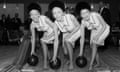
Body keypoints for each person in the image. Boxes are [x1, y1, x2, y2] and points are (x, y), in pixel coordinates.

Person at [75, 2, 110, 70]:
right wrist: (81, 53)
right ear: (80, 15)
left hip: (104, 29)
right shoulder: (83, 22)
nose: (85, 15)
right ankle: (98, 63)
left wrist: (98, 36)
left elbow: (104, 26)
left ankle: (91, 65)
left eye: (86, 12)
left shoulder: (96, 15)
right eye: (83, 13)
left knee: (94, 45)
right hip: (94, 31)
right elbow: (82, 38)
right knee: (93, 47)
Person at [49, 0, 81, 70]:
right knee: (65, 52)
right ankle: (69, 58)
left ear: (63, 13)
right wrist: (54, 56)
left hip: (76, 31)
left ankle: (71, 63)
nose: (56, 15)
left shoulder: (70, 17)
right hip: (66, 33)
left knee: (67, 41)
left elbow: (79, 26)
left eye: (58, 12)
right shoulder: (55, 24)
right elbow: (56, 41)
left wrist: (70, 35)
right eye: (54, 13)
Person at [28, 3, 59, 69]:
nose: (34, 16)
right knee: (43, 40)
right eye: (31, 14)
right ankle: (49, 57)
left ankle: (45, 62)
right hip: (46, 32)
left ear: (39, 14)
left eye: (35, 14)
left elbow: (55, 27)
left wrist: (55, 56)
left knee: (42, 41)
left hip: (55, 31)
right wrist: (32, 50)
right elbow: (33, 38)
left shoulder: (45, 19)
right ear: (30, 16)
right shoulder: (32, 25)